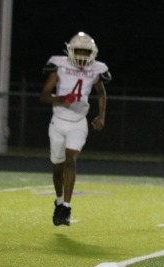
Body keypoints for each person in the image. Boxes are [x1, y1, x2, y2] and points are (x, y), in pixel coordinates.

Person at [40, 32, 111, 226]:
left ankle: (66, 208)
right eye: (78, 50)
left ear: (92, 53)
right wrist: (60, 98)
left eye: (85, 51)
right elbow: (44, 95)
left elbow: (101, 92)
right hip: (58, 121)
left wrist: (101, 115)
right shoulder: (60, 67)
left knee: (70, 160)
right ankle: (59, 201)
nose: (81, 55)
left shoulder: (96, 70)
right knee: (57, 167)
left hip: (79, 122)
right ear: (70, 51)